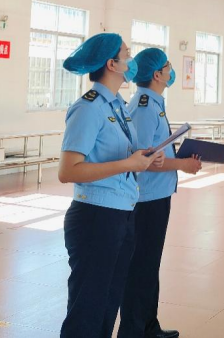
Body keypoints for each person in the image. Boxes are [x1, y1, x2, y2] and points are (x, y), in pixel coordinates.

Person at [58, 33, 163, 338]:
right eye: (127, 55)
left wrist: (143, 157)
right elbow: (68, 170)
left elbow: (116, 154)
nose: (132, 61)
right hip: (95, 217)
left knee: (107, 305)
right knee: (87, 309)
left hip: (121, 213)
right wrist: (129, 164)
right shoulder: (89, 107)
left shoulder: (116, 105)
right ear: (111, 64)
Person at [118, 48, 202, 339]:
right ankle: (133, 330)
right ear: (157, 74)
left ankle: (148, 326)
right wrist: (183, 164)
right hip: (146, 199)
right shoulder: (144, 107)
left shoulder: (154, 103)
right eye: (167, 67)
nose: (171, 71)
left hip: (157, 195)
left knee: (149, 264)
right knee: (141, 266)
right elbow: (142, 158)